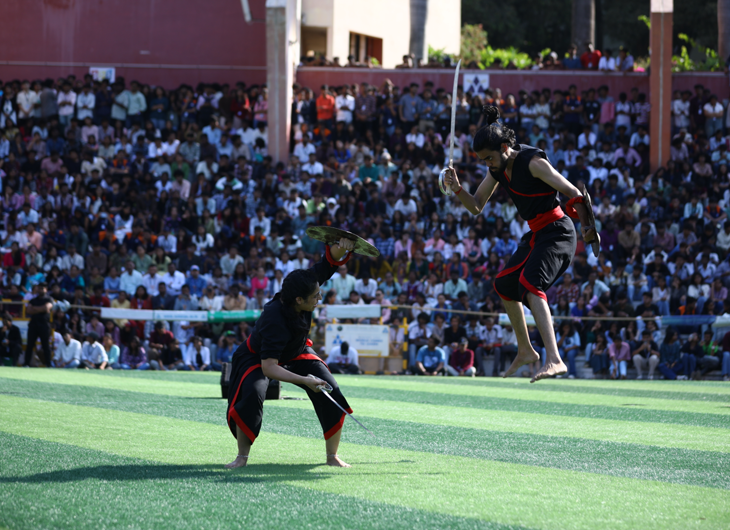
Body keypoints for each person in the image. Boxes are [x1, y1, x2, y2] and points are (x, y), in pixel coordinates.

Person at [444, 105, 596, 383]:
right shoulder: (497, 169)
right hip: (537, 234)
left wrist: (587, 227)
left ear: (505, 147)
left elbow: (573, 192)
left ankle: (555, 359)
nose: (487, 164)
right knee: (504, 284)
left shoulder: (533, 163)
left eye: (489, 158)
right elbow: (476, 206)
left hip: (558, 232)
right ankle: (526, 350)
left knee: (529, 284)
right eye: (483, 160)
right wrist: (457, 189)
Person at [225, 237, 356, 469]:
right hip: (258, 356)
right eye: (315, 296)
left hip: (297, 350)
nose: (319, 298)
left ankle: (332, 456)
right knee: (252, 393)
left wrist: (341, 247)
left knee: (331, 389)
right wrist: (305, 380)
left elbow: (328, 264)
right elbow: (269, 367)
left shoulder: (305, 283)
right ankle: (241, 458)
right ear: (299, 300)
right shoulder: (274, 318)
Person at [24, 283, 54, 367]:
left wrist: (34, 308)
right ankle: (26, 363)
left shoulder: (49, 299)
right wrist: (41, 309)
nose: (40, 290)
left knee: (45, 345)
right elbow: (28, 310)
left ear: (46, 289)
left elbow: (46, 308)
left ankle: (48, 364)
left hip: (44, 325)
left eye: (42, 288)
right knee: (30, 345)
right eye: (39, 288)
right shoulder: (33, 300)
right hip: (33, 325)